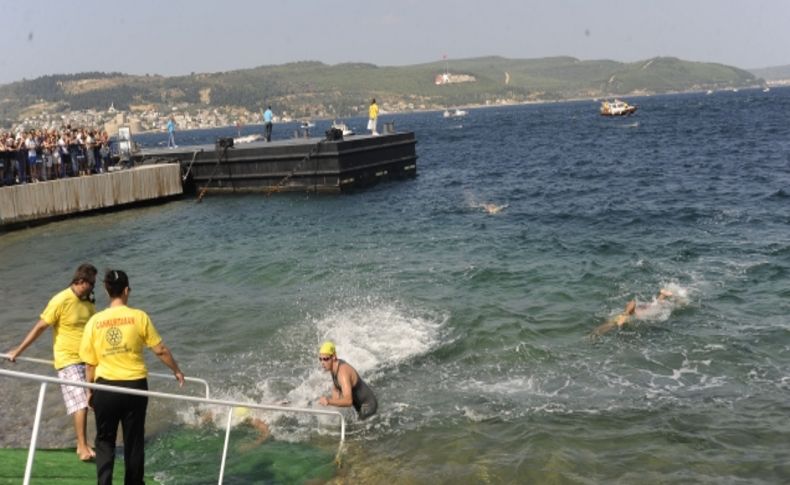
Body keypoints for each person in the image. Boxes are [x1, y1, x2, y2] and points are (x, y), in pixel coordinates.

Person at [79, 269, 185, 485]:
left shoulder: (94, 321)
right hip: (135, 388)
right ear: (126, 290)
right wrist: (176, 370)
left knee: (104, 441)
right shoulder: (139, 317)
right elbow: (160, 350)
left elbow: (90, 364)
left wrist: (89, 391)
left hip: (105, 388)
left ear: (106, 290)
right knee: (133, 441)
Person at [6, 263, 98, 461]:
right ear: (80, 281)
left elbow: (94, 333)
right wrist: (19, 350)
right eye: (91, 284)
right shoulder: (60, 300)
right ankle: (81, 447)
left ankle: (85, 443)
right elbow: (41, 327)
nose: (93, 288)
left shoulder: (89, 303)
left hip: (89, 361)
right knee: (80, 403)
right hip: (68, 360)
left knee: (93, 402)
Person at [317, 341, 377, 420]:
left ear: (334, 356)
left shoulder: (343, 373)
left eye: (325, 359)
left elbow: (348, 401)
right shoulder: (333, 367)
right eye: (320, 359)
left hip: (367, 407)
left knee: (357, 430)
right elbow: (336, 389)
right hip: (357, 404)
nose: (322, 363)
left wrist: (328, 401)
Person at [591, 288, 674, 338]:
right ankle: (663, 294)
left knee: (656, 305)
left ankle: (663, 294)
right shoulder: (626, 316)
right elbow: (632, 303)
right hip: (636, 312)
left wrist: (626, 313)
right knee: (655, 305)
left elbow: (632, 302)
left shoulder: (627, 315)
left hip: (635, 312)